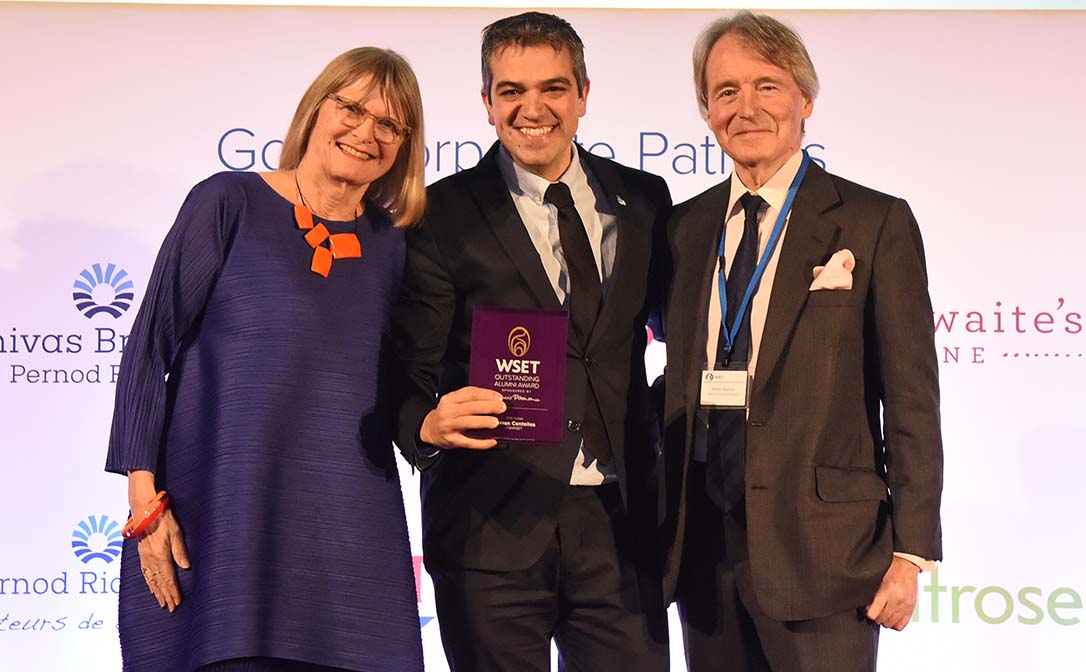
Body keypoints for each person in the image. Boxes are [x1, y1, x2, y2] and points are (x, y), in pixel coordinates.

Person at [105, 47, 427, 672]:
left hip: (348, 536)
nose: (366, 132)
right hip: (222, 523)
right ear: (316, 109)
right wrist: (144, 505)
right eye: (352, 108)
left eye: (389, 125)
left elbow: (403, 387)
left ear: (404, 146)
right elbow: (149, 349)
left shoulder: (395, 248)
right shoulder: (228, 203)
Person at [658, 11, 943, 672]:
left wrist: (910, 553)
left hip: (828, 556)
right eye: (726, 92)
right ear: (706, 111)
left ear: (804, 99)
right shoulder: (682, 229)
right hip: (703, 551)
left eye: (767, 86)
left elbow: (911, 401)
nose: (747, 107)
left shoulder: (873, 222)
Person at [390, 12, 671, 672]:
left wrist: (658, 430)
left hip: (621, 524)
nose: (532, 108)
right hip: (491, 525)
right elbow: (407, 370)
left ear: (583, 95)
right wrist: (426, 423)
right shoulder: (440, 215)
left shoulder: (645, 198)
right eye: (511, 91)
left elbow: (684, 339)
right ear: (486, 103)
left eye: (552, 88)